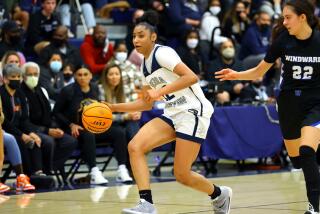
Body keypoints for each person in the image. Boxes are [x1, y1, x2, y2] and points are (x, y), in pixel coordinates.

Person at [106, 11, 232, 214]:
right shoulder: (144, 67)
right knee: (135, 147)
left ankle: (219, 194)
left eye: (140, 36)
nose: (135, 40)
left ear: (152, 37)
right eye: (133, 36)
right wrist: (113, 107)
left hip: (192, 111)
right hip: (173, 113)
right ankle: (146, 204)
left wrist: (160, 91)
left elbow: (191, 77)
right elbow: (145, 104)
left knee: (182, 174)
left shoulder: (162, 53)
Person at [215, 1, 320, 213]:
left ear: (303, 17)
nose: (284, 22)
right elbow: (258, 71)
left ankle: (314, 207)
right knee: (297, 160)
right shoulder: (282, 41)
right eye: (283, 17)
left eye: (288, 17)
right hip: (290, 103)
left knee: (307, 150)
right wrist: (236, 74)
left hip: (315, 102)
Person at [53, 67, 132, 184]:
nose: (82, 77)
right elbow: (56, 112)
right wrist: (70, 124)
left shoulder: (95, 88)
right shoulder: (67, 91)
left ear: (90, 76)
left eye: (85, 74)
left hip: (92, 126)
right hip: (75, 129)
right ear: (75, 77)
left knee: (119, 132)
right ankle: (94, 172)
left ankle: (122, 169)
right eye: (79, 75)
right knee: (88, 135)